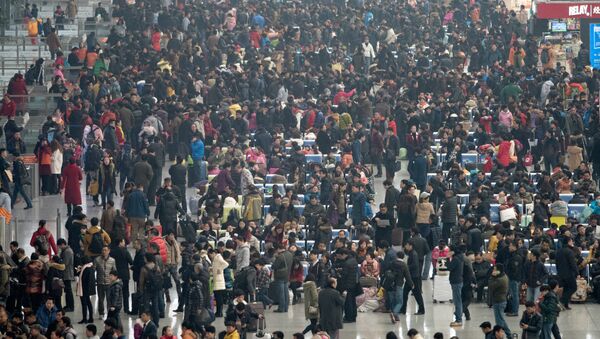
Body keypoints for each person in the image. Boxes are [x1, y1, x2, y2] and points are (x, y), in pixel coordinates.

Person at [399, 241, 424, 315]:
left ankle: (421, 309)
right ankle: (403, 309)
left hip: (414, 277)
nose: (405, 246)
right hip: (411, 277)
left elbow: (415, 265)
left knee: (417, 294)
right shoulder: (411, 253)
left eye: (406, 245)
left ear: (411, 246)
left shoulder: (414, 254)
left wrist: (406, 267)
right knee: (406, 293)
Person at [489, 263, 511, 336]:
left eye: (494, 269)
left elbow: (491, 285)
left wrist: (492, 276)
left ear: (498, 271)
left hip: (499, 301)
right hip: (500, 300)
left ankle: (500, 335)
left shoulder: (500, 280)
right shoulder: (503, 276)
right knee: (501, 320)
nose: (493, 270)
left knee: (499, 321)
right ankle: (508, 334)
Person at [556, 236, 578, 309]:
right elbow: (573, 264)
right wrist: (577, 273)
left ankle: (565, 305)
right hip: (569, 273)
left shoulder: (558, 251)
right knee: (573, 288)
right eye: (571, 241)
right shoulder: (569, 251)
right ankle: (561, 301)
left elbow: (557, 263)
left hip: (560, 274)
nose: (572, 242)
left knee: (566, 288)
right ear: (568, 242)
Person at [272, 243, 293, 313]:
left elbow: (274, 266)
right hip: (287, 275)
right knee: (285, 292)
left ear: (278, 249)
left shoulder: (280, 256)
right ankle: (286, 308)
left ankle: (281, 308)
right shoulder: (290, 254)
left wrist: (275, 258)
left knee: (281, 293)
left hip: (280, 276)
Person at [448, 245, 464, 326]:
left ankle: (458, 320)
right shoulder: (460, 257)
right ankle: (458, 317)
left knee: (457, 301)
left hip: (456, 282)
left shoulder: (455, 259)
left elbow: (449, 267)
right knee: (458, 300)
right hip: (458, 281)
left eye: (449, 251)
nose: (448, 252)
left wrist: (448, 258)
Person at [57, 238, 75, 312]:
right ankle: (68, 305)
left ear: (63, 244)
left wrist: (59, 261)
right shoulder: (65, 250)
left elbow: (65, 263)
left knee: (68, 291)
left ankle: (70, 306)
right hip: (66, 273)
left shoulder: (67, 251)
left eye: (60, 246)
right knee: (67, 291)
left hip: (67, 273)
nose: (59, 248)